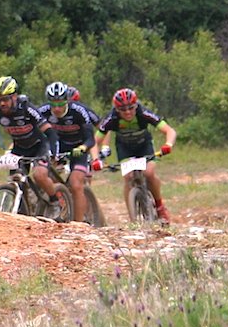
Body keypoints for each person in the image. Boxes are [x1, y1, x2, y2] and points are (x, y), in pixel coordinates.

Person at [93, 87, 177, 223]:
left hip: (144, 145)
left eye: (131, 108)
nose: (127, 112)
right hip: (125, 147)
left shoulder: (143, 113)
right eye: (122, 109)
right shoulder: (111, 118)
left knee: (149, 173)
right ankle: (132, 216)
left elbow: (169, 130)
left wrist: (168, 144)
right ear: (117, 109)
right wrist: (96, 159)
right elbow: (95, 141)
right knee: (128, 177)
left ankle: (160, 206)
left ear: (136, 105)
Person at [0, 76, 63, 206]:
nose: (2, 104)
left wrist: (53, 153)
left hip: (39, 146)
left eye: (5, 99)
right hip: (19, 148)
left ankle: (55, 203)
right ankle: (23, 211)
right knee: (16, 180)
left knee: (39, 175)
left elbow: (50, 132)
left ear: (14, 96)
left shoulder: (27, 109)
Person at [39, 80, 100, 224]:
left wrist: (83, 148)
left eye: (60, 104)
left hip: (78, 148)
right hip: (57, 147)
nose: (57, 108)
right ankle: (59, 202)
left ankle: (78, 224)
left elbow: (90, 139)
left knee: (75, 183)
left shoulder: (78, 111)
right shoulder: (43, 111)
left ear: (67, 100)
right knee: (44, 174)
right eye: (53, 104)